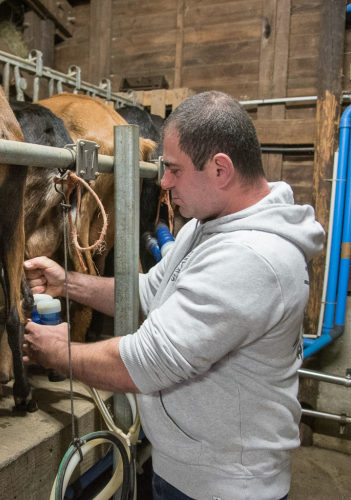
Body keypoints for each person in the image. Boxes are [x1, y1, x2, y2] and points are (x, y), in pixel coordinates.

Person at [22, 91, 325, 500]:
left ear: (220, 169)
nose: (163, 183)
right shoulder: (208, 225)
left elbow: (146, 363)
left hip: (222, 487)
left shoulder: (250, 259)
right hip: (187, 468)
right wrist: (68, 283)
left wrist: (57, 353)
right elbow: (151, 290)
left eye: (175, 170)